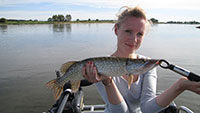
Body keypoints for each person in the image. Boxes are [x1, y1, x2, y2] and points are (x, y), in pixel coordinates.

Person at [82, 6, 200, 113]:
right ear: (116, 30)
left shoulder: (147, 64)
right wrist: (108, 82)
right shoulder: (99, 66)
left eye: (140, 34)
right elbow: (119, 111)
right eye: (128, 31)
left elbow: (147, 109)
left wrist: (180, 86)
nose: (134, 39)